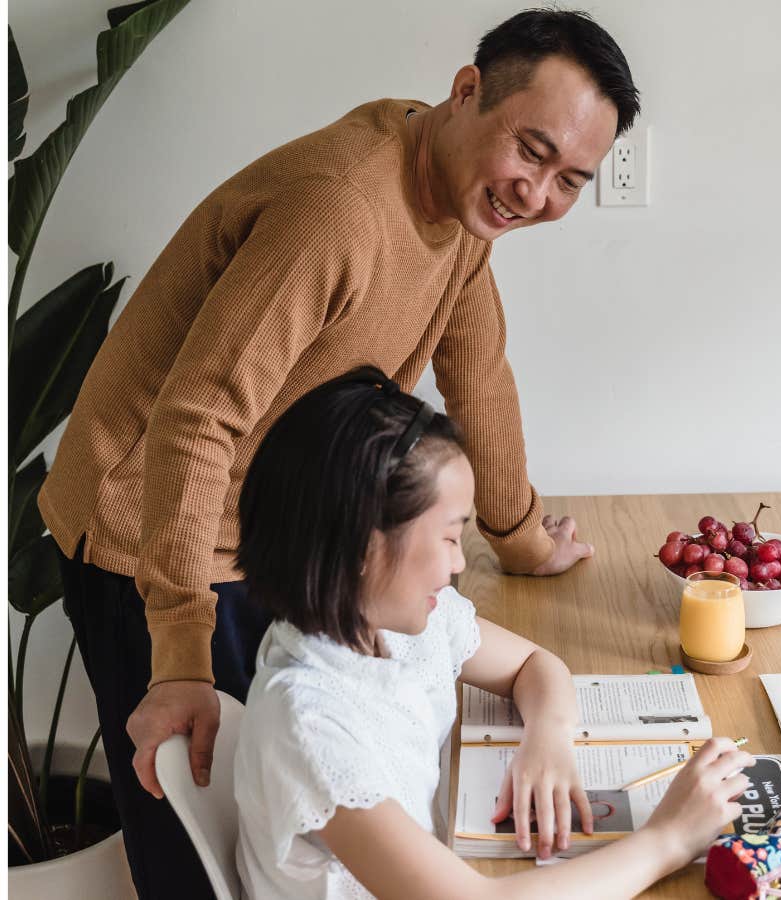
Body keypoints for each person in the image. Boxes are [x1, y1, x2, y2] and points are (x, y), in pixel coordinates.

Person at [40, 9, 640, 898]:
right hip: (152, 529)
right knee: (203, 861)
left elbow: (478, 372)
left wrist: (518, 538)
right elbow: (196, 418)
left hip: (270, 526)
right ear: (467, 92)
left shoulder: (462, 210)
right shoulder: (342, 207)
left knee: (289, 827)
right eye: (531, 150)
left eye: (569, 179)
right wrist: (179, 654)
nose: (535, 191)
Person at [234, 366, 756, 900]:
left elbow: (535, 664)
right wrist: (666, 840)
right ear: (361, 547)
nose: (461, 561)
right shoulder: (309, 728)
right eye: (448, 537)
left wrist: (547, 738)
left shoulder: (393, 622)